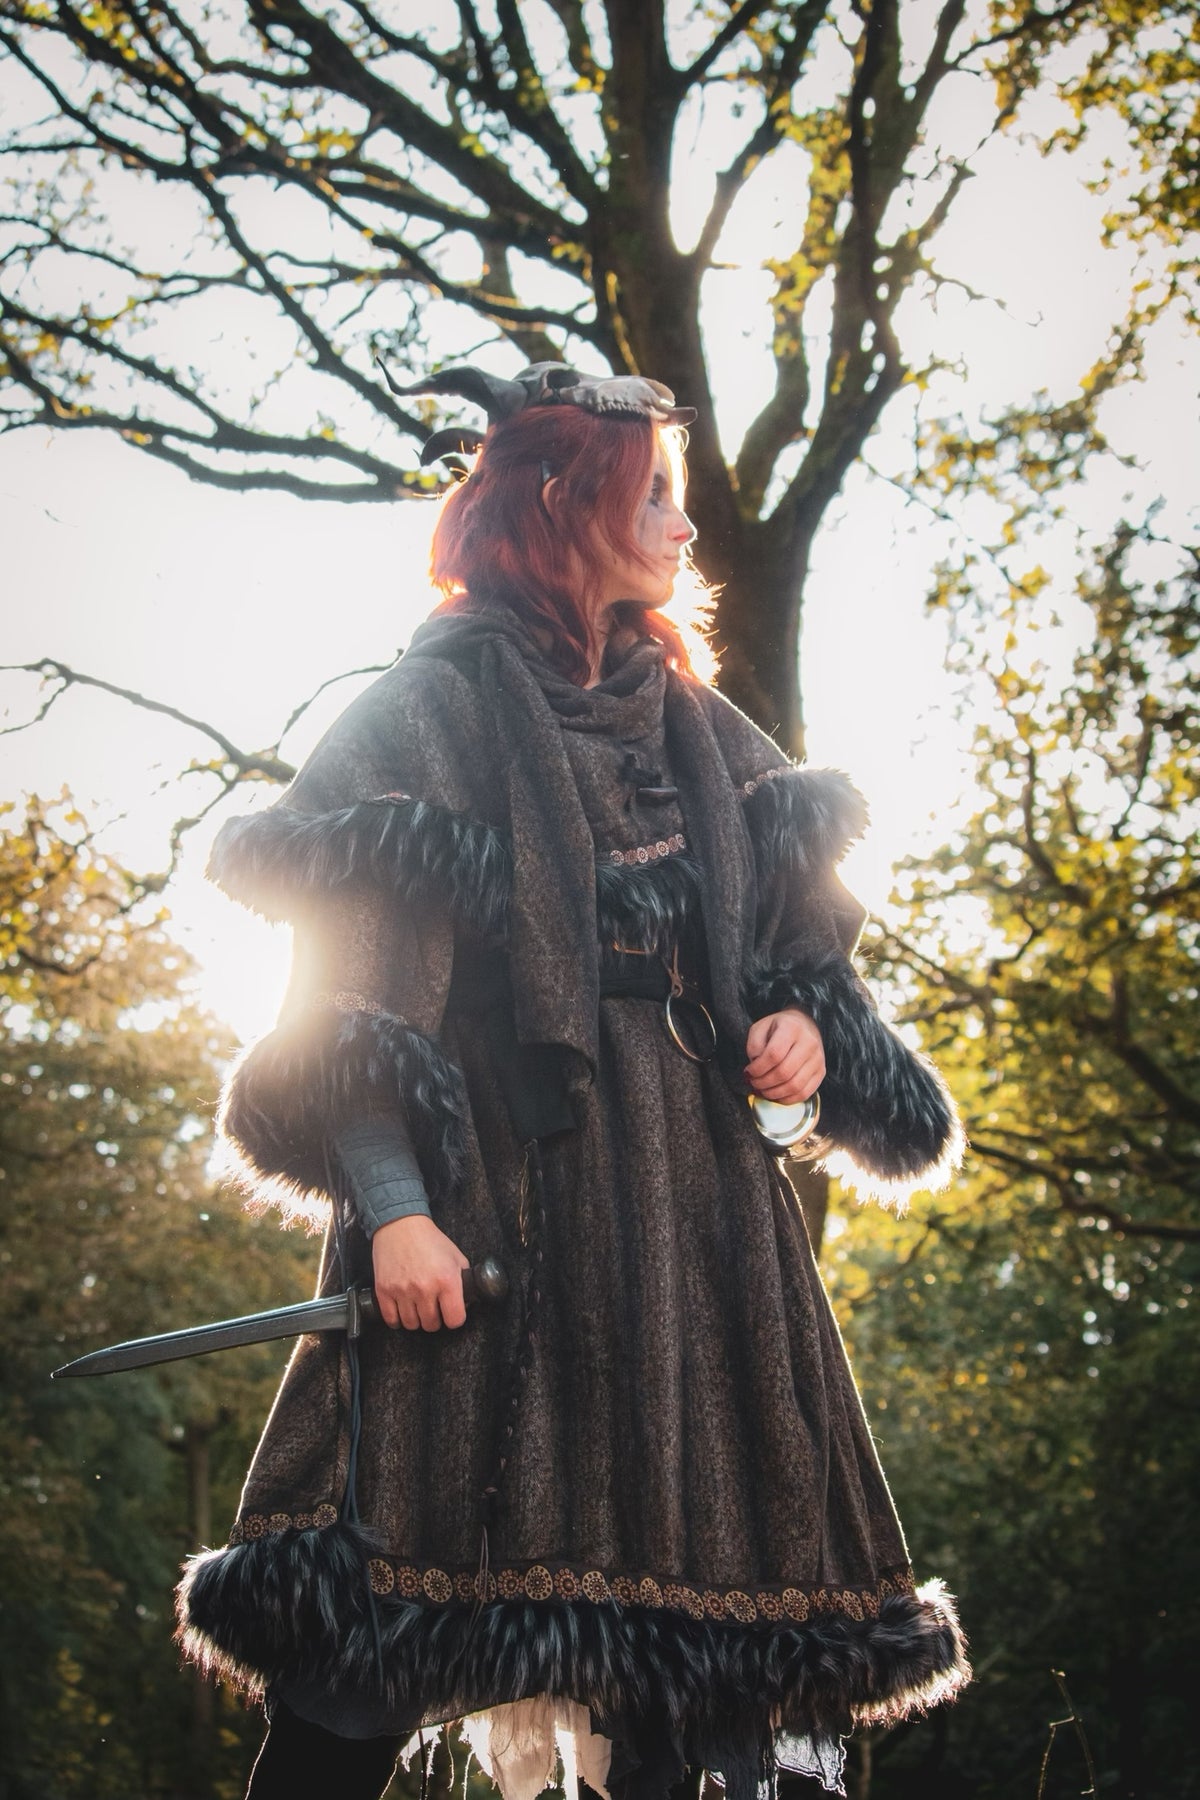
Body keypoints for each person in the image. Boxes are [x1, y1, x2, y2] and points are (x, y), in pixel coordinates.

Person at [178, 363, 969, 1800]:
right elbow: (348, 1002)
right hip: (486, 1226)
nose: (679, 524)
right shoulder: (422, 716)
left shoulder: (701, 727)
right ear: (562, 500)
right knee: (360, 1658)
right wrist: (396, 1207)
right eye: (651, 491)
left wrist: (795, 1031)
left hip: (695, 1246)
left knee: (685, 1691)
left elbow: (800, 957)